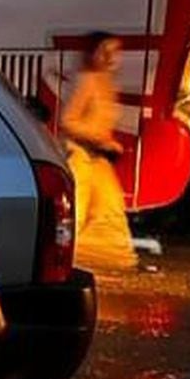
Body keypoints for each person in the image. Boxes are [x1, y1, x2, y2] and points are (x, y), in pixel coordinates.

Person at [60, 32, 139, 271]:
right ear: (95, 52)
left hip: (99, 160)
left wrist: (109, 143)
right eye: (106, 50)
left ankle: (105, 262)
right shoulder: (86, 80)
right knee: (77, 211)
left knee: (110, 210)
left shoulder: (108, 84)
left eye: (115, 51)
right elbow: (68, 120)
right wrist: (98, 139)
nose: (111, 57)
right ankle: (64, 261)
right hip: (81, 155)